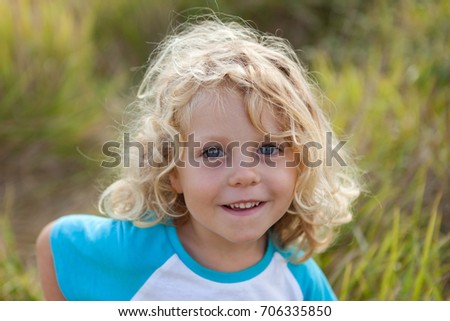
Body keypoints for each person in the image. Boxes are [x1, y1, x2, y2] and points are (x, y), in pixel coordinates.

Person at [36, 14, 359, 301]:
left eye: (269, 149)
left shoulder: (299, 281)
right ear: (172, 171)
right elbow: (55, 245)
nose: (244, 175)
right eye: (213, 152)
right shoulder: (132, 252)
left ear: (300, 165)